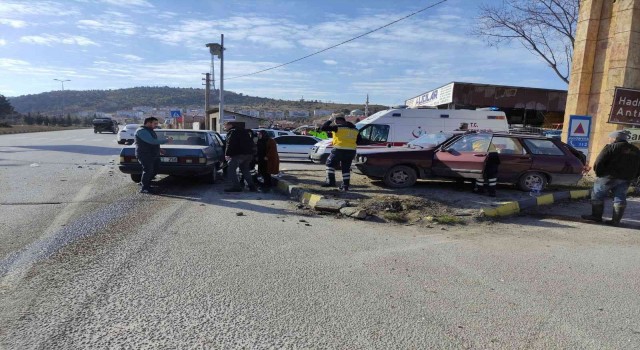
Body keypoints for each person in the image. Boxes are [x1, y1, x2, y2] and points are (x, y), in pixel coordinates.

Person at [582, 130, 640, 226]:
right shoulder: (636, 149)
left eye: (610, 138)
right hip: (626, 178)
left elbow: (599, 161)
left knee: (597, 195)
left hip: (609, 177)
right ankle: (615, 221)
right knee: (620, 197)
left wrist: (599, 173)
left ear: (615, 138)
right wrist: (634, 176)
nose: (609, 139)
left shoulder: (611, 147)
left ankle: (596, 216)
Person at [319, 116, 360, 191]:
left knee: (329, 164)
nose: (335, 123)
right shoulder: (355, 129)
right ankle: (345, 186)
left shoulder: (338, 127)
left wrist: (329, 120)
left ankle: (331, 182)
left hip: (339, 150)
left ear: (338, 121)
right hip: (351, 151)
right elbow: (359, 141)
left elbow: (323, 128)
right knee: (346, 168)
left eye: (335, 121)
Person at [135, 117, 171, 194]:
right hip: (145, 154)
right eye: (155, 123)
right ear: (148, 123)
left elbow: (153, 143)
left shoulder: (150, 130)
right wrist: (166, 140)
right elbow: (151, 141)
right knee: (148, 170)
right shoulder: (141, 131)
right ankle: (144, 188)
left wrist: (159, 149)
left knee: (155, 169)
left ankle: (145, 183)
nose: (156, 125)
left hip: (153, 154)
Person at [224, 122, 257, 192]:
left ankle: (236, 187)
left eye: (225, 125)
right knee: (245, 170)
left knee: (231, 169)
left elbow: (230, 144)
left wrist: (227, 154)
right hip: (249, 154)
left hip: (239, 154)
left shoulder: (233, 132)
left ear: (230, 125)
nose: (224, 127)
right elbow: (251, 142)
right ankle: (252, 186)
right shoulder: (244, 131)